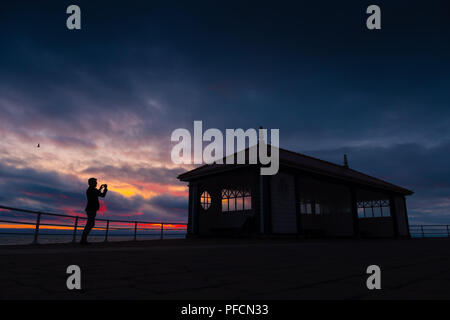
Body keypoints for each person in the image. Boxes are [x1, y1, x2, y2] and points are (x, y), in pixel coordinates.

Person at [80, 177, 108, 245]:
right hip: (91, 209)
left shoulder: (90, 190)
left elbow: (97, 194)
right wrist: (105, 189)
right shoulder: (92, 190)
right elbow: (102, 195)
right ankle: (83, 240)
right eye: (95, 182)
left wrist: (101, 188)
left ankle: (83, 240)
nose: (96, 183)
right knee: (90, 224)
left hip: (91, 209)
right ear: (91, 183)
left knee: (90, 224)